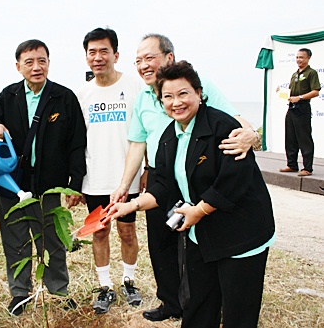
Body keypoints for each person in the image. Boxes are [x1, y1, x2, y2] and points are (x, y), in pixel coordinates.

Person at [110, 61, 275, 328]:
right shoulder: (168, 137)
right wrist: (131, 205)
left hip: (241, 234)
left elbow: (231, 182)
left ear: (199, 93)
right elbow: (162, 185)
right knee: (198, 306)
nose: (176, 102)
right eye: (168, 96)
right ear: (160, 100)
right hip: (203, 233)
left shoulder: (223, 127)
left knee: (237, 314)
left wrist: (197, 211)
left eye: (183, 93)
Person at [0, 39, 86, 316]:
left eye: (42, 60)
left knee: (53, 240)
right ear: (18, 67)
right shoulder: (9, 95)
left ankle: (59, 291)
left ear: (49, 63)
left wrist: (75, 183)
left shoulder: (64, 97)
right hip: (12, 186)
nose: (36, 67)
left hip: (49, 186)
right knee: (15, 241)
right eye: (29, 62)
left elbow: (77, 143)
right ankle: (19, 293)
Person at [76, 28, 144, 314]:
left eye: (104, 51)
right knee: (100, 233)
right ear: (87, 58)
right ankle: (105, 287)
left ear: (116, 55)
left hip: (127, 179)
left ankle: (129, 280)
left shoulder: (135, 87)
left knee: (127, 233)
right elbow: (77, 141)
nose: (98, 57)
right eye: (92, 52)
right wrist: (77, 182)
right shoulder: (82, 95)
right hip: (95, 179)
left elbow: (146, 132)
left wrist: (147, 169)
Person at [279, 48, 321, 176]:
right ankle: (291, 165)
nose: (299, 60)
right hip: (291, 108)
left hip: (302, 108)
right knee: (290, 137)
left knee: (304, 138)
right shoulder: (294, 74)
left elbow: (316, 91)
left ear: (308, 58)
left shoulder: (311, 73)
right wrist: (281, 91)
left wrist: (300, 97)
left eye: (301, 57)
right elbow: (292, 91)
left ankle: (307, 168)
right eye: (297, 57)